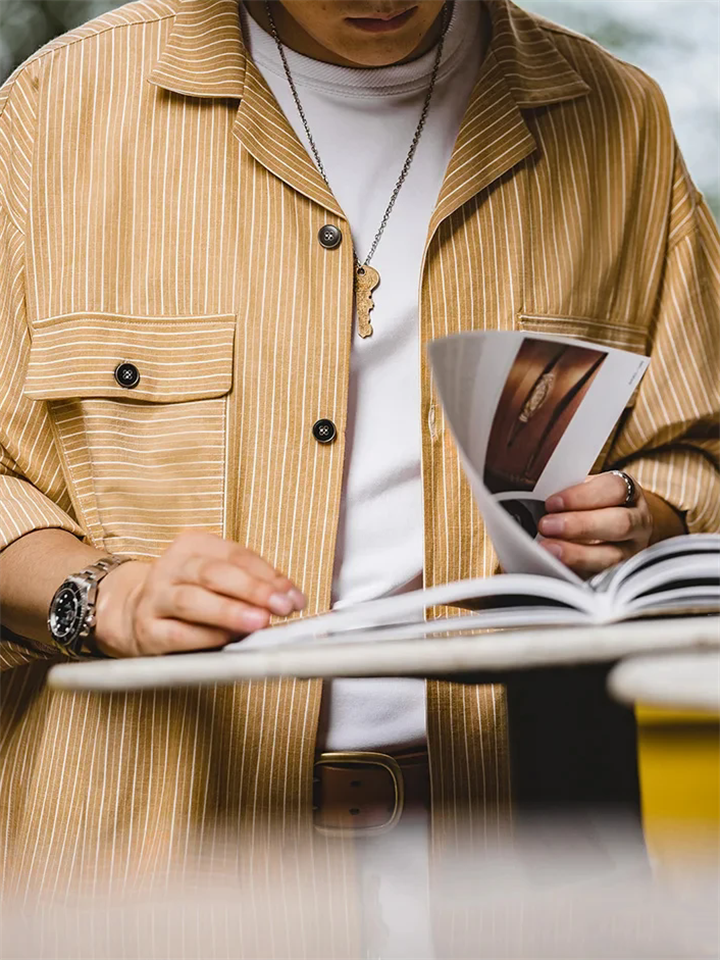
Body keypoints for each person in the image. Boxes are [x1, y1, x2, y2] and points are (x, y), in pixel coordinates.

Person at [0, 0, 717, 896]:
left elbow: (696, 451)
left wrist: (649, 516)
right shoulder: (57, 106)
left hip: (522, 873)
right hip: (138, 863)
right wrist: (105, 594)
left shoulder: (622, 122)